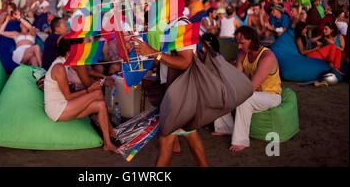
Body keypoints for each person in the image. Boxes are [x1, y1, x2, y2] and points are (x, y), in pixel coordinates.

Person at [133, 17, 208, 167]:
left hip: (181, 92)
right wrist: (144, 51)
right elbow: (165, 60)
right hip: (175, 91)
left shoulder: (180, 25)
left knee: (166, 140)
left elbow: (186, 62)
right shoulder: (168, 26)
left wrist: (154, 53)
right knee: (190, 134)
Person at [213, 26, 282, 152]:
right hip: (254, 93)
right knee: (221, 89)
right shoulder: (242, 53)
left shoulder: (267, 57)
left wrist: (235, 91)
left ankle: (241, 141)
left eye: (241, 43)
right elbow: (236, 77)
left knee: (246, 98)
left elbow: (251, 87)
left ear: (252, 41)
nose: (238, 46)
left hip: (271, 96)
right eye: (237, 42)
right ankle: (225, 127)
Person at [44, 38, 118, 153]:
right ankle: (111, 131)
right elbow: (68, 97)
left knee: (100, 105)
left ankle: (108, 143)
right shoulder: (59, 68)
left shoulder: (66, 63)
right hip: (57, 109)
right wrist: (89, 90)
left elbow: (88, 73)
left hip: (65, 105)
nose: (80, 54)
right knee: (97, 93)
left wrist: (99, 81)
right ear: (69, 53)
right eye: (78, 52)